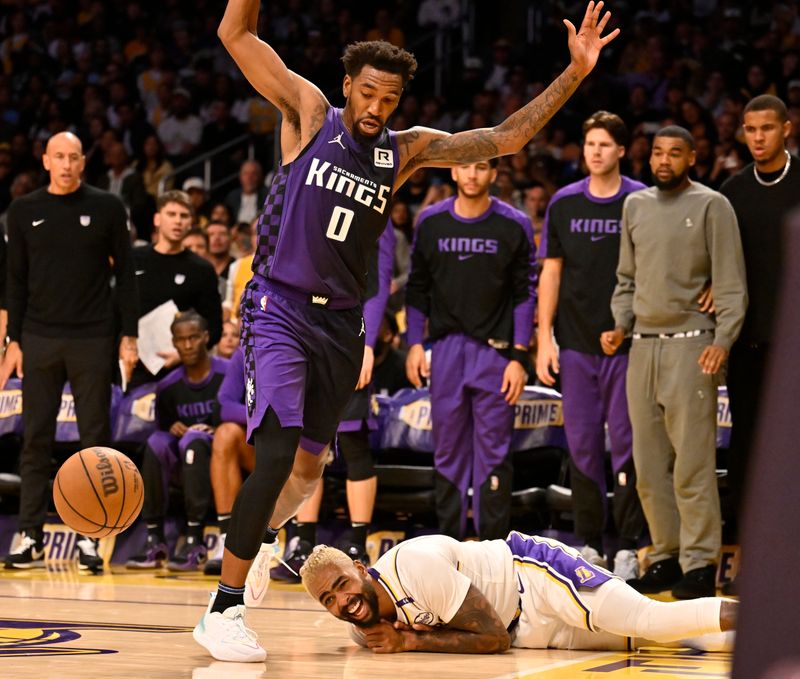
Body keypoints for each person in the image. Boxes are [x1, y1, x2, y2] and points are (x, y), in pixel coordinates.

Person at [194, 0, 619, 663]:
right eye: (368, 92)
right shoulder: (309, 114)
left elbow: (506, 138)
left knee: (308, 471)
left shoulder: (405, 149)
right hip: (278, 306)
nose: (377, 106)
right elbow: (234, 32)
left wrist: (574, 72)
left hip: (338, 323)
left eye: (389, 97)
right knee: (275, 452)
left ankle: (259, 538)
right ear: (347, 88)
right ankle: (220, 610)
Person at [602, 125, 748, 600]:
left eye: (675, 154)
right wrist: (619, 325)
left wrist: (723, 340)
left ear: (692, 158)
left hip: (692, 344)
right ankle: (664, 555)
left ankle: (701, 562)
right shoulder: (635, 206)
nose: (664, 161)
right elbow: (626, 278)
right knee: (648, 464)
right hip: (641, 345)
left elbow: (730, 285)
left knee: (693, 464)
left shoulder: (712, 205)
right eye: (658, 153)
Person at [1, 131, 139, 572]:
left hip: (93, 336)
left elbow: (128, 278)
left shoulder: (107, 207)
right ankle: (30, 534)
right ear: (45, 161)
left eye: (73, 157)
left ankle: (89, 537)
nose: (65, 164)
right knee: (35, 438)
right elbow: (15, 281)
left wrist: (128, 335)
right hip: (38, 336)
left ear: (83, 162)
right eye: (58, 156)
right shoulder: (23, 211)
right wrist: (14, 340)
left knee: (94, 440)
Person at [300, 532, 736, 654]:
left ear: (360, 569)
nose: (342, 601)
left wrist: (411, 640)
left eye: (342, 585)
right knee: (650, 641)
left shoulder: (413, 566)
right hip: (529, 627)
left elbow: (493, 639)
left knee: (649, 620)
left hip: (536, 577)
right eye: (328, 600)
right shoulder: (364, 627)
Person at [536, 111, 646, 579]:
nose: (595, 151)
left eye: (605, 144)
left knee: (626, 445)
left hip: (628, 344)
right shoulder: (563, 203)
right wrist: (544, 338)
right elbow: (552, 272)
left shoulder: (642, 201)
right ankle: (589, 542)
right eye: (589, 144)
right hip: (577, 343)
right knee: (581, 445)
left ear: (621, 150)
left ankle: (626, 545)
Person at [405, 158, 536, 541]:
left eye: (481, 167)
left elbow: (525, 293)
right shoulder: (430, 222)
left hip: (495, 355)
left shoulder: (514, 224)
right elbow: (417, 288)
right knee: (447, 452)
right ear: (453, 172)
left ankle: (493, 549)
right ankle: (447, 544)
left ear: (494, 174)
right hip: (445, 350)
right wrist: (414, 344)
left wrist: (519, 356)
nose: (473, 174)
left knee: (494, 454)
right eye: (465, 166)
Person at [272, 222, 396, 579]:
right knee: (306, 441)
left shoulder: (373, 206)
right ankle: (301, 541)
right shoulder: (309, 195)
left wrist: (368, 343)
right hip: (303, 327)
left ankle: (358, 541)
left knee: (353, 441)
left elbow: (379, 281)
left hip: (348, 332)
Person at [718, 95, 800, 594]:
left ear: (786, 129)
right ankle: (748, 559)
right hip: (748, 346)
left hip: (794, 345)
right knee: (747, 454)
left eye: (767, 128)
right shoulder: (731, 191)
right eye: (750, 129)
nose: (758, 137)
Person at [126, 310, 228, 571]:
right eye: (181, 339)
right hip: (184, 462)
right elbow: (164, 427)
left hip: (224, 456)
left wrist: (215, 429)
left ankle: (196, 538)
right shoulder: (168, 386)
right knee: (155, 443)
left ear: (206, 337)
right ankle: (154, 539)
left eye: (193, 337)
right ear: (173, 342)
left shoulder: (226, 374)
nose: (187, 345)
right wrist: (173, 426)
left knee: (193, 441)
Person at [130, 190, 222, 388]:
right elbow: (116, 309)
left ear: (191, 222)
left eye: (184, 216)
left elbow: (214, 326)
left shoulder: (201, 269)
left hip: (181, 370)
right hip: (134, 366)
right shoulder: (133, 259)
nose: (178, 221)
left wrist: (182, 355)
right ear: (157, 219)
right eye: (171, 214)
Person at [223, 159, 268, 226]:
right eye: (245, 173)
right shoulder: (232, 197)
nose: (249, 177)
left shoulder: (267, 196)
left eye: (254, 174)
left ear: (260, 176)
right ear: (240, 176)